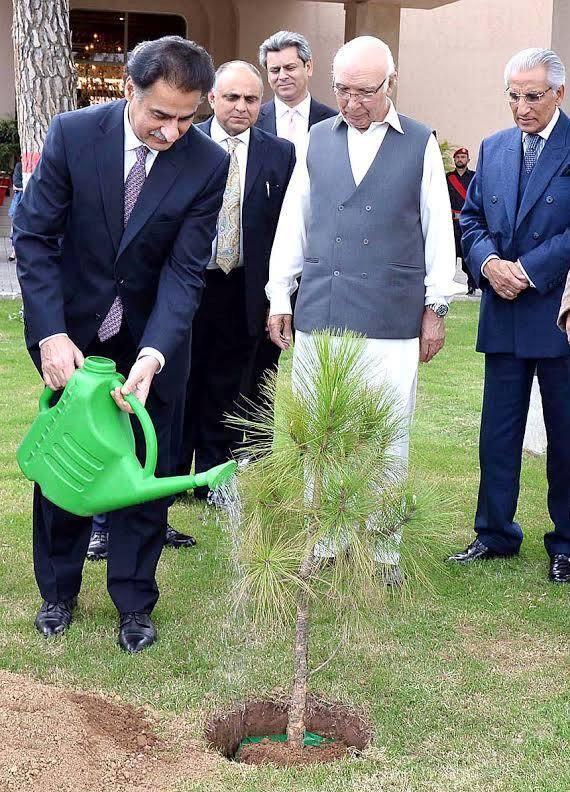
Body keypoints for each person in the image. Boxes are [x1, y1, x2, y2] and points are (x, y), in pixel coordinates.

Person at [13, 36, 229, 651]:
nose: (172, 131)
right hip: (72, 336)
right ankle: (58, 591)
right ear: (131, 90)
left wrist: (155, 355)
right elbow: (34, 237)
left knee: (145, 470)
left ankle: (134, 601)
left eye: (187, 118)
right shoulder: (73, 134)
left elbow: (185, 271)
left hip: (152, 344)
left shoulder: (207, 163)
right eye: (160, 114)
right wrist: (51, 333)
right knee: (68, 462)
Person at [266, 36, 457, 579]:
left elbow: (437, 229)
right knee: (322, 430)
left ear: (390, 84)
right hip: (322, 308)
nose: (352, 103)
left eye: (365, 92)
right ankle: (326, 538)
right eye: (343, 91)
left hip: (391, 313)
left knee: (388, 432)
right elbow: (295, 220)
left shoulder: (420, 142)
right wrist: (280, 294)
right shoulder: (316, 139)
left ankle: (382, 547)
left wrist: (436, 306)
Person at [449, 48, 570, 584]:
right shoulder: (494, 147)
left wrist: (528, 269)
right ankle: (494, 533)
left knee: (566, 434)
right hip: (502, 310)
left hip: (557, 312)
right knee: (497, 433)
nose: (522, 107)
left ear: (558, 94)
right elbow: (471, 219)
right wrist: (488, 264)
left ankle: (566, 543)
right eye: (514, 96)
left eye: (533, 96)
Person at [175, 61, 295, 495]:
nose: (241, 107)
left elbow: (286, 228)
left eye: (251, 99)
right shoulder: (184, 142)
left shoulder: (280, 153)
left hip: (244, 287)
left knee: (228, 386)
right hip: (190, 284)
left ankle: (213, 479)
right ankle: (172, 476)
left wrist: (280, 296)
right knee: (182, 381)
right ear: (211, 99)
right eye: (231, 97)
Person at [256, 30, 336, 158]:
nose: (282, 76)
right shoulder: (253, 120)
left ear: (308, 67)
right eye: (275, 70)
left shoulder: (333, 121)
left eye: (290, 68)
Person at [446, 147, 476, 293]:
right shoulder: (447, 178)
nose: (460, 159)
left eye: (463, 157)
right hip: (451, 223)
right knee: (449, 254)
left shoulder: (474, 177)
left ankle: (472, 285)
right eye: (458, 157)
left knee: (468, 254)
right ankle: (446, 284)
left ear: (468, 160)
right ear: (454, 159)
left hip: (468, 222)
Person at [7, 159, 23, 262]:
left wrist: (20, 188)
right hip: (19, 199)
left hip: (31, 198)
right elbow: (16, 183)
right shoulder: (19, 166)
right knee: (15, 225)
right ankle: (14, 251)